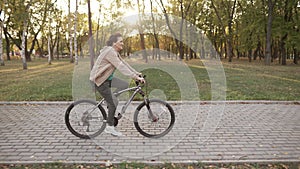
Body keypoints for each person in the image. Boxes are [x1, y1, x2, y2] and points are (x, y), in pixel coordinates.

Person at [90, 33, 145, 136]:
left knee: (124, 84)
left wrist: (136, 73)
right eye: (121, 41)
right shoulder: (110, 52)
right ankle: (109, 127)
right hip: (100, 81)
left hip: (107, 79)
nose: (123, 44)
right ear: (114, 43)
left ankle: (109, 102)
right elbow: (121, 67)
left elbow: (124, 63)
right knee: (114, 102)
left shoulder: (114, 51)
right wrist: (135, 77)